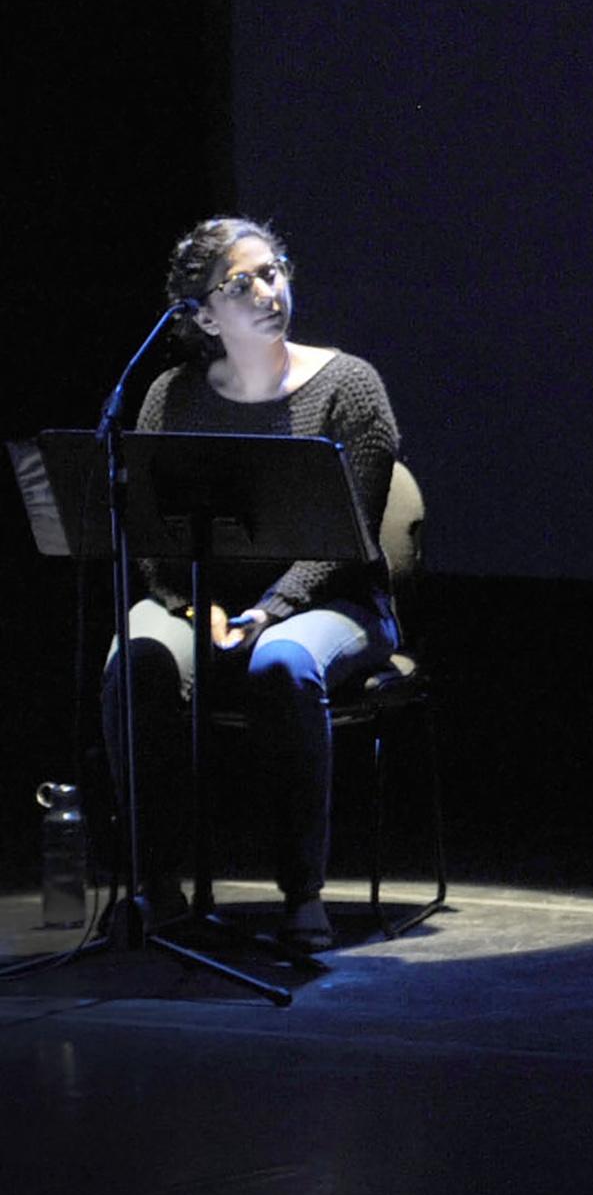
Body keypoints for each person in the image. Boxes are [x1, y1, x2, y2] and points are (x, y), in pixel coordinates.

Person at [102, 216, 403, 951]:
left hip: (334, 600)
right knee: (133, 659)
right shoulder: (170, 397)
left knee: (282, 662)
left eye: (275, 271)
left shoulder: (349, 387)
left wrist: (268, 611)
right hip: (200, 597)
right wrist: (192, 605)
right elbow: (153, 540)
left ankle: (303, 895)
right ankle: (156, 886)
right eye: (245, 282)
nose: (271, 289)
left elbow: (348, 536)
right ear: (203, 314)